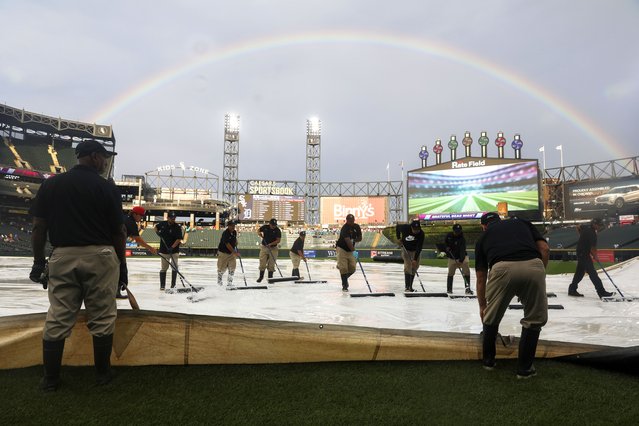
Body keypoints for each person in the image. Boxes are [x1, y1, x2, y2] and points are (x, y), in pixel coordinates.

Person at [29, 140, 126, 391]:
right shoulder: (106, 187)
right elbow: (118, 232)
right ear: (93, 157)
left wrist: (39, 262)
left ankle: (50, 380)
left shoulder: (50, 184)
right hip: (100, 255)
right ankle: (103, 375)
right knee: (102, 316)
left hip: (62, 254)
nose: (106, 162)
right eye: (104, 157)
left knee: (58, 316)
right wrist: (122, 266)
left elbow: (39, 227)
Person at [475, 212, 549, 379]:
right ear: (500, 220)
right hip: (533, 265)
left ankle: (489, 362)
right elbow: (544, 248)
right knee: (534, 320)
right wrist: (539, 274)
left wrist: (482, 306)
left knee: (491, 318)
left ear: (484, 226)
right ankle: (525, 369)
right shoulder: (521, 222)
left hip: (501, 269)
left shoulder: (483, 237)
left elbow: (481, 278)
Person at [568, 218, 615, 298]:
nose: (600, 227)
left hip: (581, 252)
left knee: (580, 273)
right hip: (584, 254)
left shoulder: (586, 228)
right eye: (599, 225)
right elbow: (593, 248)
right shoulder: (592, 234)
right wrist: (595, 256)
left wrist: (582, 237)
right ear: (594, 224)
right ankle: (601, 292)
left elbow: (578, 226)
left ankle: (572, 289)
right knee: (593, 273)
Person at [119, 206, 157, 298]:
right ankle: (116, 291)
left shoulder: (124, 218)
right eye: (141, 216)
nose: (141, 218)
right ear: (134, 214)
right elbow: (138, 240)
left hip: (111, 245)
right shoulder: (131, 223)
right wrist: (150, 248)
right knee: (121, 269)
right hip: (116, 248)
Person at [155, 212, 183, 290]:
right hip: (163, 250)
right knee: (164, 268)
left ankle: (173, 285)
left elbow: (178, 239)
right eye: (172, 218)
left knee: (174, 267)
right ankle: (162, 286)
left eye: (174, 219)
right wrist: (157, 232)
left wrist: (172, 247)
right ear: (168, 218)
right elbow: (155, 227)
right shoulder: (162, 224)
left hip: (174, 251)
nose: (173, 220)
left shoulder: (177, 227)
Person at [396, 219, 425, 292]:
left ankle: (410, 286)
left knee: (415, 267)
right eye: (414, 229)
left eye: (417, 229)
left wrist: (415, 259)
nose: (416, 231)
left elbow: (419, 247)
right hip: (406, 249)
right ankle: (407, 287)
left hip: (415, 250)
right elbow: (397, 227)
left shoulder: (421, 234)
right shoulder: (405, 228)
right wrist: (398, 238)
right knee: (408, 266)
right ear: (411, 227)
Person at [336, 213, 362, 292]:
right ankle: (344, 285)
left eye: (352, 221)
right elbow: (347, 241)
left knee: (352, 268)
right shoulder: (345, 228)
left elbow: (360, 238)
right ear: (347, 221)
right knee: (344, 268)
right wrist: (354, 251)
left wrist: (354, 240)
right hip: (342, 248)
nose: (351, 222)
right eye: (349, 221)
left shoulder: (356, 227)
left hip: (351, 249)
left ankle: (344, 278)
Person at [444, 224, 473, 295]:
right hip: (452, 257)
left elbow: (462, 251)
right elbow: (445, 244)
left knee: (466, 270)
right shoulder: (449, 236)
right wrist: (446, 248)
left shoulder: (462, 239)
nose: (457, 233)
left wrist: (460, 261)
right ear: (453, 231)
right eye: (456, 231)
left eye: (459, 231)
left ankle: (467, 288)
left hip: (462, 257)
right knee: (450, 273)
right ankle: (449, 289)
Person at [257, 218, 281, 282]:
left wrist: (271, 244)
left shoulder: (277, 230)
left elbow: (278, 240)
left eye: (275, 225)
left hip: (273, 248)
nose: (274, 226)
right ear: (269, 224)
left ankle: (270, 278)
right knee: (262, 262)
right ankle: (261, 277)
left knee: (271, 263)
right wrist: (259, 233)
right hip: (264, 247)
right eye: (272, 225)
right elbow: (258, 230)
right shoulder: (265, 227)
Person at [217, 220, 239, 288]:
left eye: (234, 225)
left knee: (232, 267)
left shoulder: (234, 232)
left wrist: (235, 243)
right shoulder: (225, 233)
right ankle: (219, 280)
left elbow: (234, 241)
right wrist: (234, 252)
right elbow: (227, 244)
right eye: (232, 225)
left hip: (231, 254)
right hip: (223, 253)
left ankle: (230, 282)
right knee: (222, 268)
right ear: (228, 226)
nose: (233, 227)